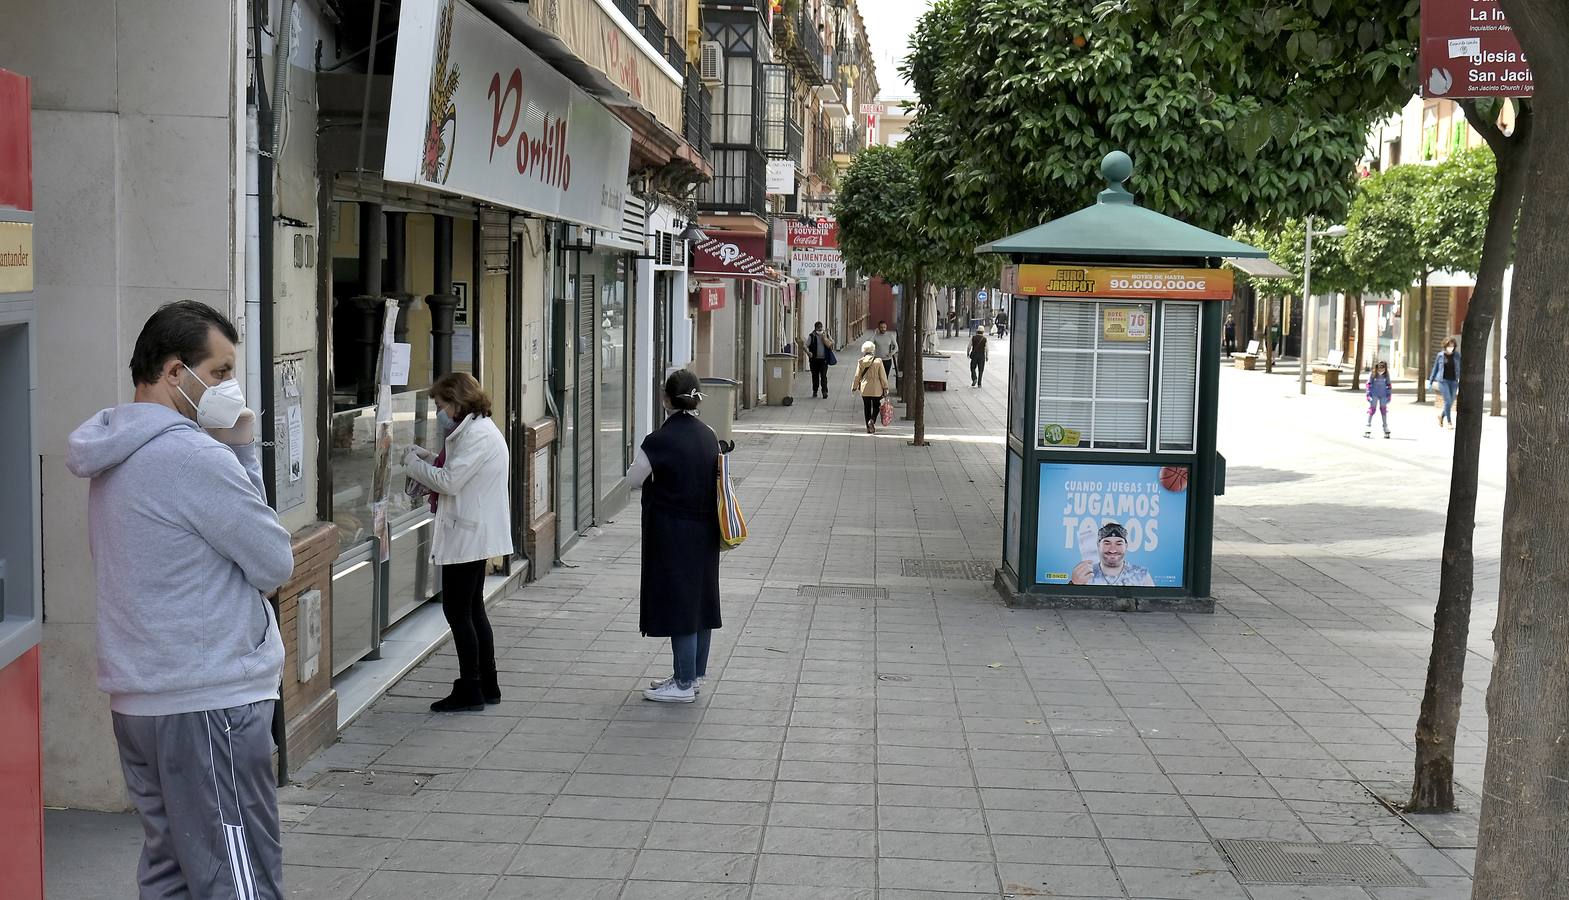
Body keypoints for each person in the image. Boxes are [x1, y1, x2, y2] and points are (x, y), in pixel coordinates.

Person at [66, 301, 295, 900]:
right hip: (209, 698)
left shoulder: (111, 454)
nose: (230, 386)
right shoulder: (194, 457)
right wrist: (241, 452)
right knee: (239, 878)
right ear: (174, 373)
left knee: (170, 872)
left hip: (140, 700)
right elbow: (273, 561)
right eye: (219, 372)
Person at [403, 372, 514, 712]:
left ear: (456, 402)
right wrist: (426, 458)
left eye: (440, 405)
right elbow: (452, 468)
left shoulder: (476, 435)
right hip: (471, 530)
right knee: (472, 609)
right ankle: (486, 684)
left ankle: (471, 688)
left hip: (469, 532)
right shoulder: (473, 430)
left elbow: (450, 480)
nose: (439, 411)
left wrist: (411, 465)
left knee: (458, 610)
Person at [628, 370, 723, 702]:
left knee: (681, 604)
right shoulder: (709, 435)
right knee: (702, 601)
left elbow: (634, 479)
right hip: (706, 531)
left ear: (665, 399)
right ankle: (693, 675)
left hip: (672, 533)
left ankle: (682, 684)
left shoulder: (658, 441)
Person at [1070, 522, 1155, 587]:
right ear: (1098, 545)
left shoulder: (1141, 575)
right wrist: (1073, 584)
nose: (1113, 550)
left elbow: (1154, 605)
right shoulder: (1085, 574)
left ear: (1126, 546)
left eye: (1118, 544)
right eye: (1107, 543)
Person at [852, 340, 891, 434]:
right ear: (873, 350)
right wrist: (885, 387)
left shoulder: (861, 361)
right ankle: (872, 420)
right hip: (876, 388)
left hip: (865, 388)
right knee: (876, 406)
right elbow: (883, 376)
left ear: (864, 350)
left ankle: (868, 428)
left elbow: (857, 375)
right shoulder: (878, 361)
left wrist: (854, 387)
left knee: (867, 407)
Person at [1429, 337, 1461, 429]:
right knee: (1447, 401)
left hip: (1454, 381)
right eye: (1449, 345)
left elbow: (1460, 367)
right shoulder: (1440, 355)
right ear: (1445, 346)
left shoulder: (1457, 355)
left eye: (1452, 345)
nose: (1450, 347)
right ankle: (1449, 422)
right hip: (1443, 381)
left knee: (1451, 402)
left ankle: (1441, 416)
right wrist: (1431, 381)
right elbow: (1435, 368)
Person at [805, 321, 835, 399]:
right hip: (814, 360)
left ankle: (824, 392)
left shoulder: (825, 335)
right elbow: (805, 345)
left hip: (824, 360)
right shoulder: (812, 336)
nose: (820, 329)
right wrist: (808, 352)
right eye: (818, 327)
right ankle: (815, 390)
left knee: (823, 376)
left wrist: (828, 340)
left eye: (821, 327)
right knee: (815, 376)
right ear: (815, 328)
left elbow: (832, 342)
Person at [1365, 360, 1393, 439]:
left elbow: (1389, 385)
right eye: (1380, 368)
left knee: (1383, 410)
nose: (1381, 370)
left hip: (1383, 394)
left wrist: (1389, 394)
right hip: (1374, 394)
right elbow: (1368, 384)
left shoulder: (1386, 374)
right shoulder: (1373, 374)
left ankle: (1385, 427)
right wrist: (1368, 394)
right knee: (1372, 409)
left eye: (1383, 368)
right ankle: (1368, 425)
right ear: (1377, 367)